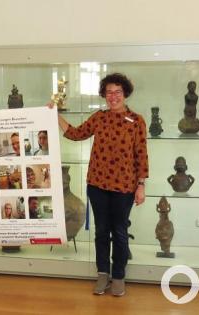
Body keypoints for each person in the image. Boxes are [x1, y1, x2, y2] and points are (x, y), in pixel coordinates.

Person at [56, 72, 148, 297]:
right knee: (101, 232)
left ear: (125, 93)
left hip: (124, 188)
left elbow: (141, 154)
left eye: (118, 92)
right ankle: (102, 274)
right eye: (109, 93)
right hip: (97, 185)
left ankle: (118, 276)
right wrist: (55, 115)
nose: (113, 96)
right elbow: (76, 134)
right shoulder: (99, 117)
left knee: (119, 232)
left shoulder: (137, 121)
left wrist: (141, 185)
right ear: (104, 95)